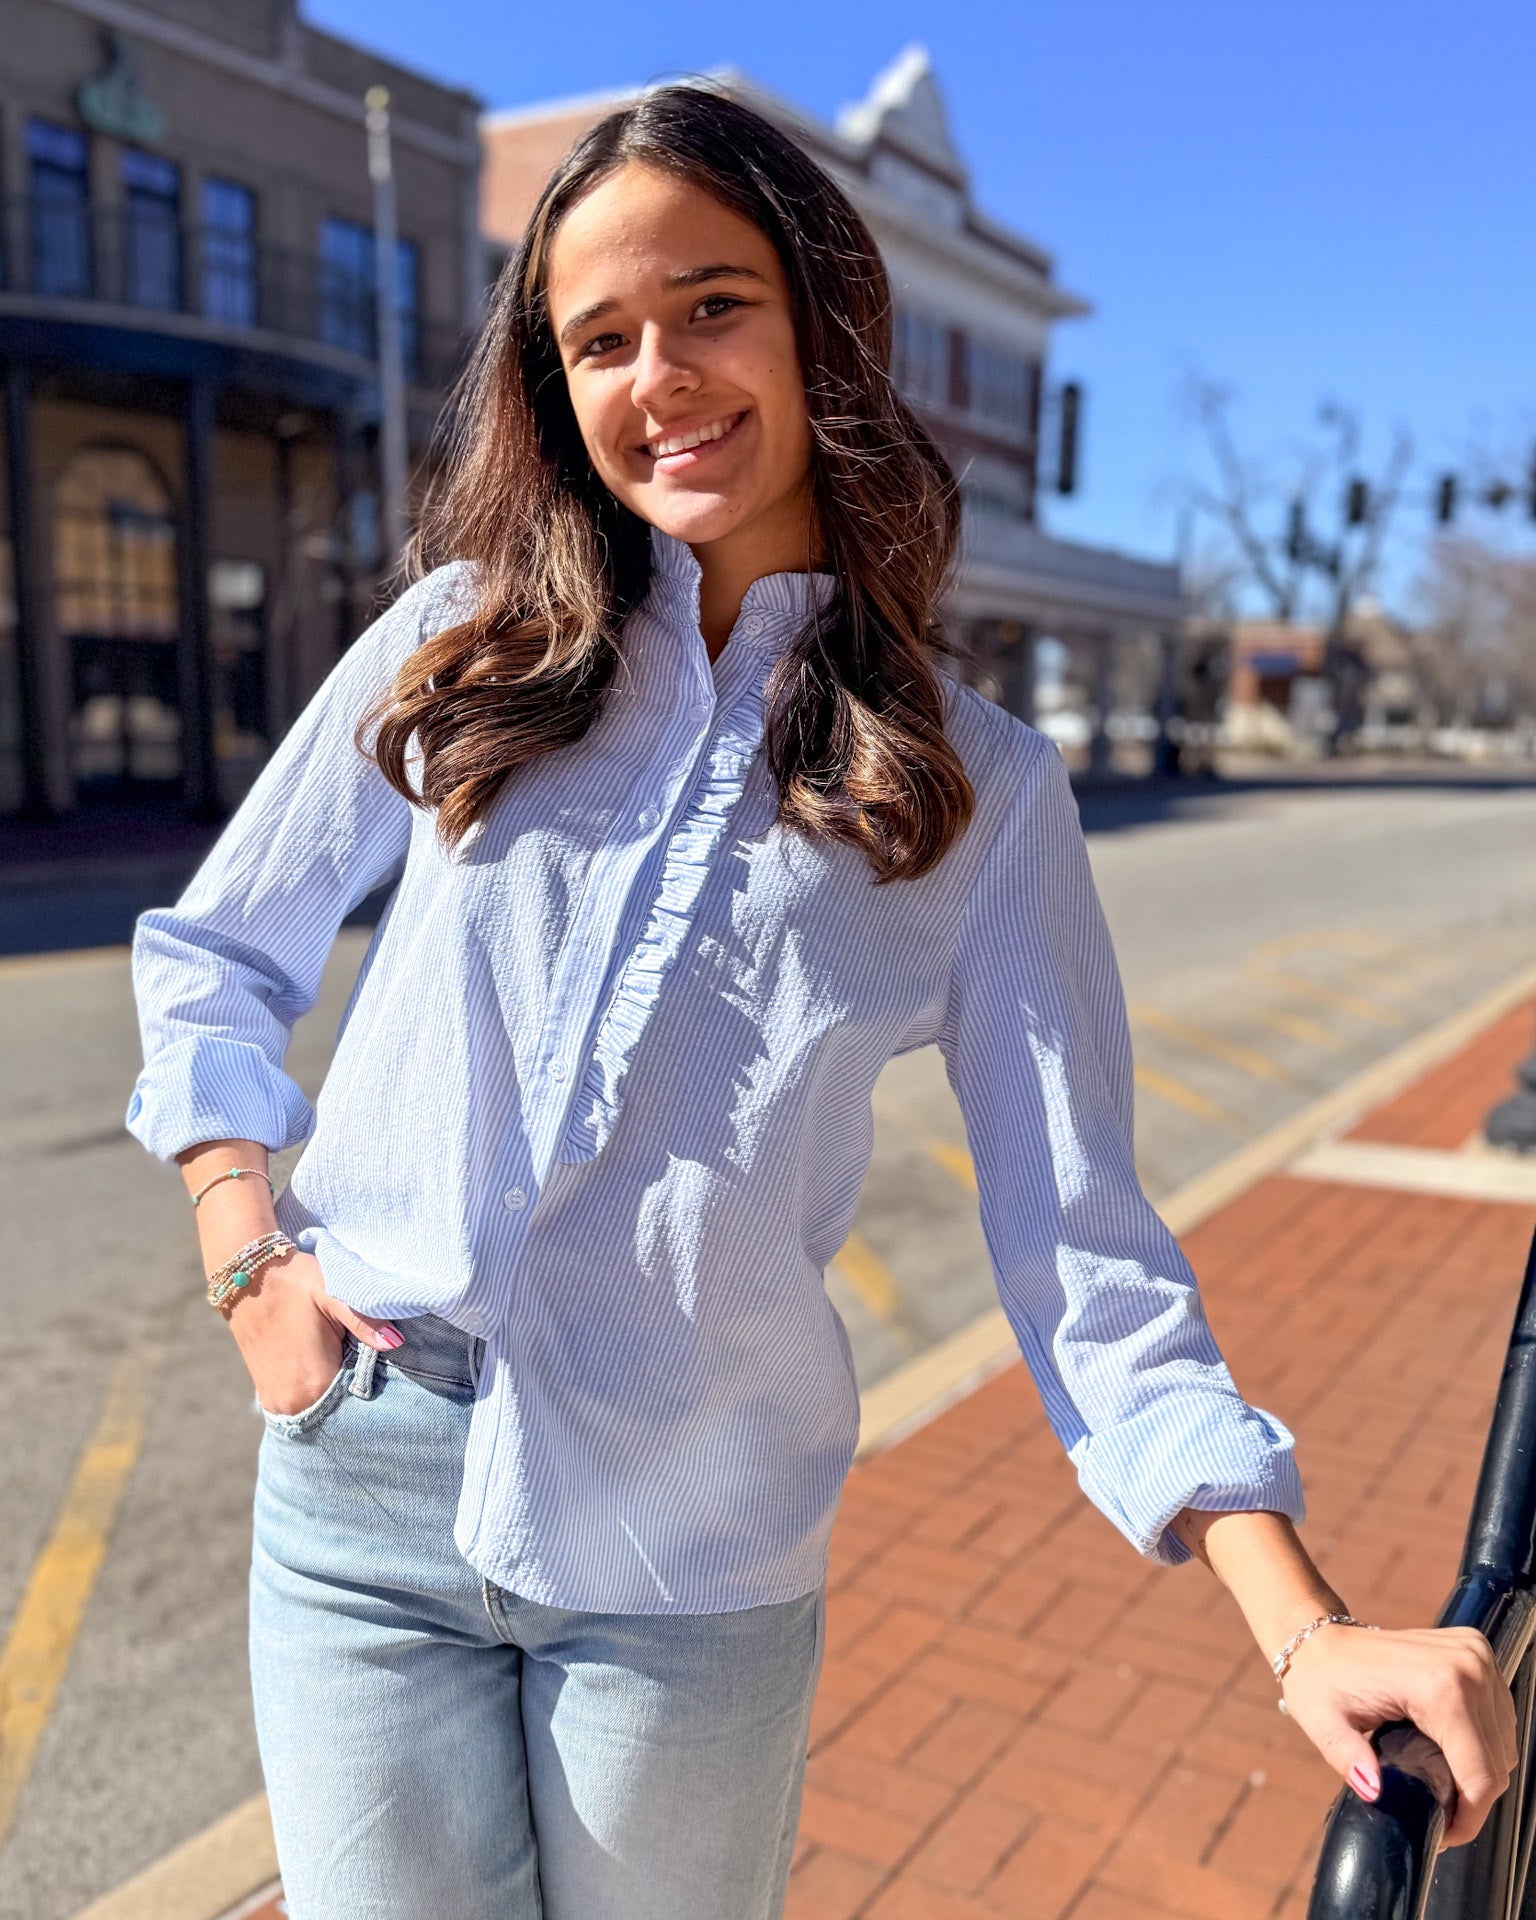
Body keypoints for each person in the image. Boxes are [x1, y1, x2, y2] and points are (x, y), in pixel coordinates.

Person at [125, 82, 1514, 1920]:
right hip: (359, 1493)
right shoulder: (464, 642)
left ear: (819, 325)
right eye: (598, 338)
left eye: (712, 306)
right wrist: (248, 1259)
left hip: (686, 1563)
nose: (657, 376)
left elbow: (1076, 1240)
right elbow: (219, 953)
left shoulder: (979, 790)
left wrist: (1303, 1624)